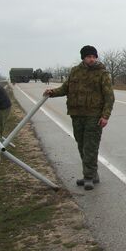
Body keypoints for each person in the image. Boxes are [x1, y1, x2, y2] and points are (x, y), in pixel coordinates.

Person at [44, 45, 114, 190]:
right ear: (83, 57)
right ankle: (93, 174)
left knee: (90, 146)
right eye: (89, 56)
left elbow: (109, 97)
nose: (92, 59)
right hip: (77, 115)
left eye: (94, 57)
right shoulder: (75, 71)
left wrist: (105, 116)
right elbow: (65, 88)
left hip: (94, 115)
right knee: (81, 145)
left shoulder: (102, 73)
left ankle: (88, 177)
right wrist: (52, 92)